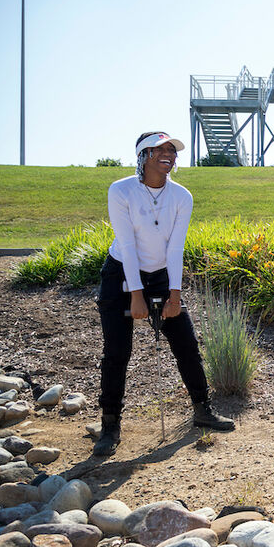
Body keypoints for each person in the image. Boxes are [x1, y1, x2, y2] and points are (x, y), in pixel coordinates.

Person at [94, 131, 235, 456]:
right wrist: (136, 296)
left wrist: (174, 295)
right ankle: (110, 425)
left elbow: (175, 248)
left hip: (161, 276)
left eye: (171, 150)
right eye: (159, 149)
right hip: (120, 275)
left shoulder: (181, 196)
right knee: (117, 352)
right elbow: (128, 246)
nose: (168, 154)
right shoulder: (121, 191)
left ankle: (203, 410)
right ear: (143, 156)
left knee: (185, 341)